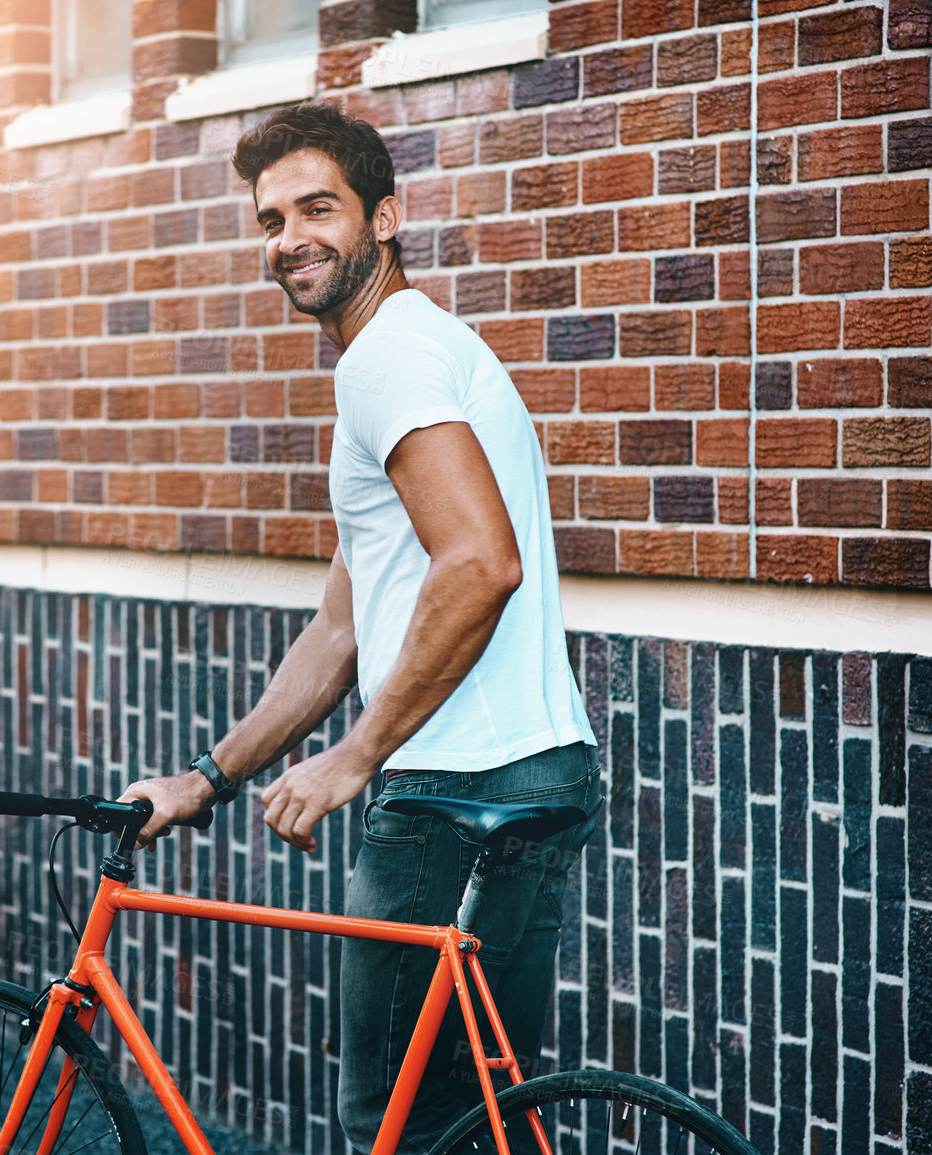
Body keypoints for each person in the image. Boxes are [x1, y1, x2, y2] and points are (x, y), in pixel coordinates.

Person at [119, 101, 603, 1155]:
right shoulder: (427, 354)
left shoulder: (385, 361)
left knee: (394, 1127)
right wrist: (208, 778)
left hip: (444, 791)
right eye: (269, 219)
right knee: (483, 1123)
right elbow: (339, 632)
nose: (290, 237)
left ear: (385, 218)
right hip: (541, 775)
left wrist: (355, 758)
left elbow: (482, 565)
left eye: (318, 209)